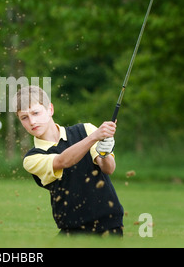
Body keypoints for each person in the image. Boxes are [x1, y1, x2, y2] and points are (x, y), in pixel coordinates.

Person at [12, 86, 124, 236]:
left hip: (108, 224)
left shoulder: (86, 130)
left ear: (50, 109)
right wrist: (94, 138)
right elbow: (63, 161)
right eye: (24, 117)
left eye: (36, 113)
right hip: (72, 229)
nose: (32, 121)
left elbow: (108, 169)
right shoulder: (31, 158)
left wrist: (104, 153)